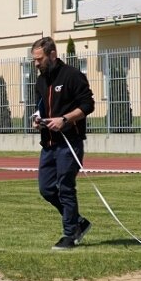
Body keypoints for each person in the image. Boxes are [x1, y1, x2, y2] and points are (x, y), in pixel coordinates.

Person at [31, 36, 95, 251]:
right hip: (48, 144)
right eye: (34, 60)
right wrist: (37, 118)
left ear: (52, 55)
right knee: (46, 189)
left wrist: (65, 120)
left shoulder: (72, 76)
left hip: (69, 143)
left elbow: (88, 105)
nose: (36, 64)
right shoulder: (41, 80)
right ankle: (78, 221)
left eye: (39, 59)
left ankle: (70, 234)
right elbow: (41, 105)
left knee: (66, 187)